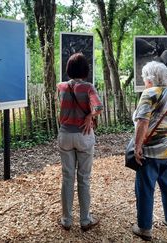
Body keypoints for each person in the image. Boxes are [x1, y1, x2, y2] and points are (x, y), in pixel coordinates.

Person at [131, 61, 167, 241]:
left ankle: (144, 228)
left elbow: (142, 122)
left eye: (145, 77)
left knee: (145, 189)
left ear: (150, 79)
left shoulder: (149, 93)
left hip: (151, 152)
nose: (144, 80)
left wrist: (137, 147)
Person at [56, 53, 103, 231]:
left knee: (67, 178)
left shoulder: (60, 86)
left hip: (65, 135)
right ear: (85, 70)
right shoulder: (88, 87)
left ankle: (66, 220)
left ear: (68, 69)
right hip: (84, 136)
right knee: (84, 178)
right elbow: (98, 107)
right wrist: (90, 115)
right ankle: (85, 220)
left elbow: (59, 107)